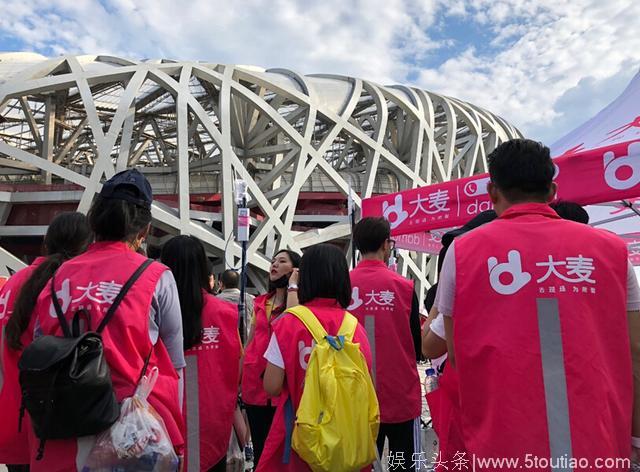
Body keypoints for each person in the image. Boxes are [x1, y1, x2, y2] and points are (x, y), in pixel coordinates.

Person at [438, 139, 640, 469]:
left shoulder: (461, 253)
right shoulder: (613, 252)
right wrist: (636, 437)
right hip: (599, 443)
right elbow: (636, 351)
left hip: (502, 445)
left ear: (492, 191)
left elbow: (458, 357)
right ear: (553, 191)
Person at [30, 169, 186, 471]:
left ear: (94, 220)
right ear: (145, 230)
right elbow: (175, 365)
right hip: (129, 435)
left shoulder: (57, 276)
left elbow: (40, 345)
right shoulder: (156, 277)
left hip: (61, 428)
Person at [258, 243, 373, 471]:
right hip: (346, 444)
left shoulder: (289, 323)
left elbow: (271, 385)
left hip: (299, 440)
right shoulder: (355, 327)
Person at [0, 212, 91, 472]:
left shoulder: (13, 283)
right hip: (52, 429)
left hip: (12, 422)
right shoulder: (69, 286)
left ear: (46, 243)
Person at [161, 235, 242, 472]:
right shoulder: (226, 313)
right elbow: (238, 368)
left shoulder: (155, 309)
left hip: (165, 424)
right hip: (213, 424)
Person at [348, 217, 422, 468]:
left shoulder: (343, 286)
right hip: (399, 392)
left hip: (354, 394)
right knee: (404, 463)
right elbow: (417, 344)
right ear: (385, 244)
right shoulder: (403, 286)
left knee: (361, 464)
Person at [241, 249, 301, 468]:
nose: (274, 264)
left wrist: (294, 284)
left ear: (295, 269)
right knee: (260, 452)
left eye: (282, 261)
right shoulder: (261, 302)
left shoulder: (299, 303)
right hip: (254, 388)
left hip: (282, 389)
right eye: (273, 261)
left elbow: (293, 323)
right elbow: (250, 342)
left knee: (283, 454)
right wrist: (238, 380)